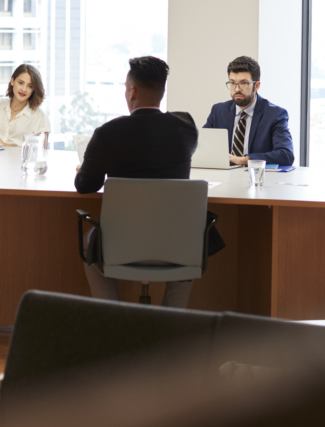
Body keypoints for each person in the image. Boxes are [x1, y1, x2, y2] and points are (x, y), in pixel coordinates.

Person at [76, 56, 222, 309]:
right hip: (177, 243)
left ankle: (112, 316)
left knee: (90, 242)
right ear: (162, 91)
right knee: (191, 236)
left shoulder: (107, 134)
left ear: (132, 91)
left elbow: (85, 185)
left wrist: (89, 165)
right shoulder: (186, 128)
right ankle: (171, 320)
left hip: (120, 244)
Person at [203, 56, 294, 167]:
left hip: (256, 179)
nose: (237, 89)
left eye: (244, 83)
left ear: (256, 86)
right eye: (232, 83)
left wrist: (245, 160)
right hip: (224, 178)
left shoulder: (275, 114)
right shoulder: (218, 111)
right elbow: (201, 146)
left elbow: (286, 155)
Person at [0, 63, 51, 147]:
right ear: (12, 81)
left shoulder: (40, 116)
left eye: (30, 86)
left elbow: (39, 153)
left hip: (18, 160)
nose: (24, 89)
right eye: (21, 83)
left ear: (34, 90)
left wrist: (3, 144)